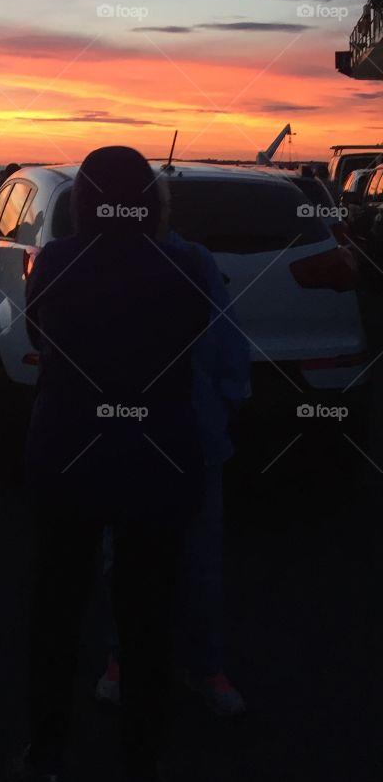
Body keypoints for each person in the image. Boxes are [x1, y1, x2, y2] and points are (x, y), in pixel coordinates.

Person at [14, 147, 210, 782]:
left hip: (68, 453)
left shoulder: (58, 262)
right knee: (146, 614)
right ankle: (143, 759)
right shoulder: (183, 266)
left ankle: (46, 754)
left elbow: (40, 338)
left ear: (83, 200)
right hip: (156, 457)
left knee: (57, 607)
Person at [94, 216, 251, 717]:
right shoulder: (99, 262)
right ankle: (123, 657)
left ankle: (205, 665)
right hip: (127, 437)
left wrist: (223, 399)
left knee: (199, 560)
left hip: (195, 433)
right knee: (124, 555)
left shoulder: (193, 260)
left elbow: (226, 335)